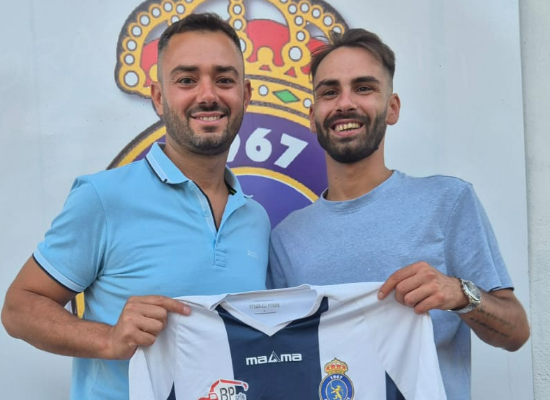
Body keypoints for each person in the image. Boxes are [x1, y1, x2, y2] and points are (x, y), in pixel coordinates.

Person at [1, 13, 270, 400]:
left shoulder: (256, 219)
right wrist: (108, 338)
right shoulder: (102, 198)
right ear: (159, 98)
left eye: (224, 80)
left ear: (245, 95)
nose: (208, 95)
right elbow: (18, 308)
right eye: (187, 80)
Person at [267, 28, 530, 399]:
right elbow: (279, 361)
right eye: (329, 92)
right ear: (312, 116)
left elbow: (516, 332)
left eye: (363, 88)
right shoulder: (285, 238)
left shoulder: (448, 202)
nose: (345, 103)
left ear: (392, 108)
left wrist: (459, 294)